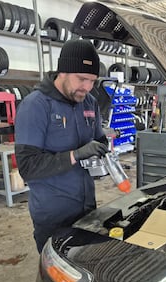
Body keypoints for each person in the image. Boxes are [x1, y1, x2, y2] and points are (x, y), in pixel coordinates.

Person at [15, 39, 109, 253]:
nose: (87, 87)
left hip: (87, 209)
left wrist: (102, 148)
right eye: (82, 79)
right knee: (58, 281)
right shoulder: (36, 106)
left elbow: (98, 138)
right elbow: (28, 167)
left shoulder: (89, 102)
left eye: (92, 81)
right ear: (63, 72)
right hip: (53, 215)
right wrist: (76, 155)